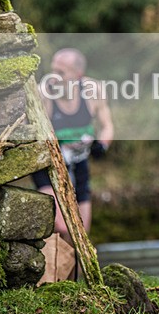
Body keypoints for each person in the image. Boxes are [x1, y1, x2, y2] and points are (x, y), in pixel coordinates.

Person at [32, 48, 114, 245]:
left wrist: (102, 145)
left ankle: (71, 274)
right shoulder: (45, 94)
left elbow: (107, 126)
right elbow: (37, 137)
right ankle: (52, 271)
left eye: (61, 73)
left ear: (78, 75)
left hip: (79, 164)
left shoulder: (92, 90)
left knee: (82, 231)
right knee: (62, 226)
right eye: (53, 71)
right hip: (50, 168)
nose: (54, 77)